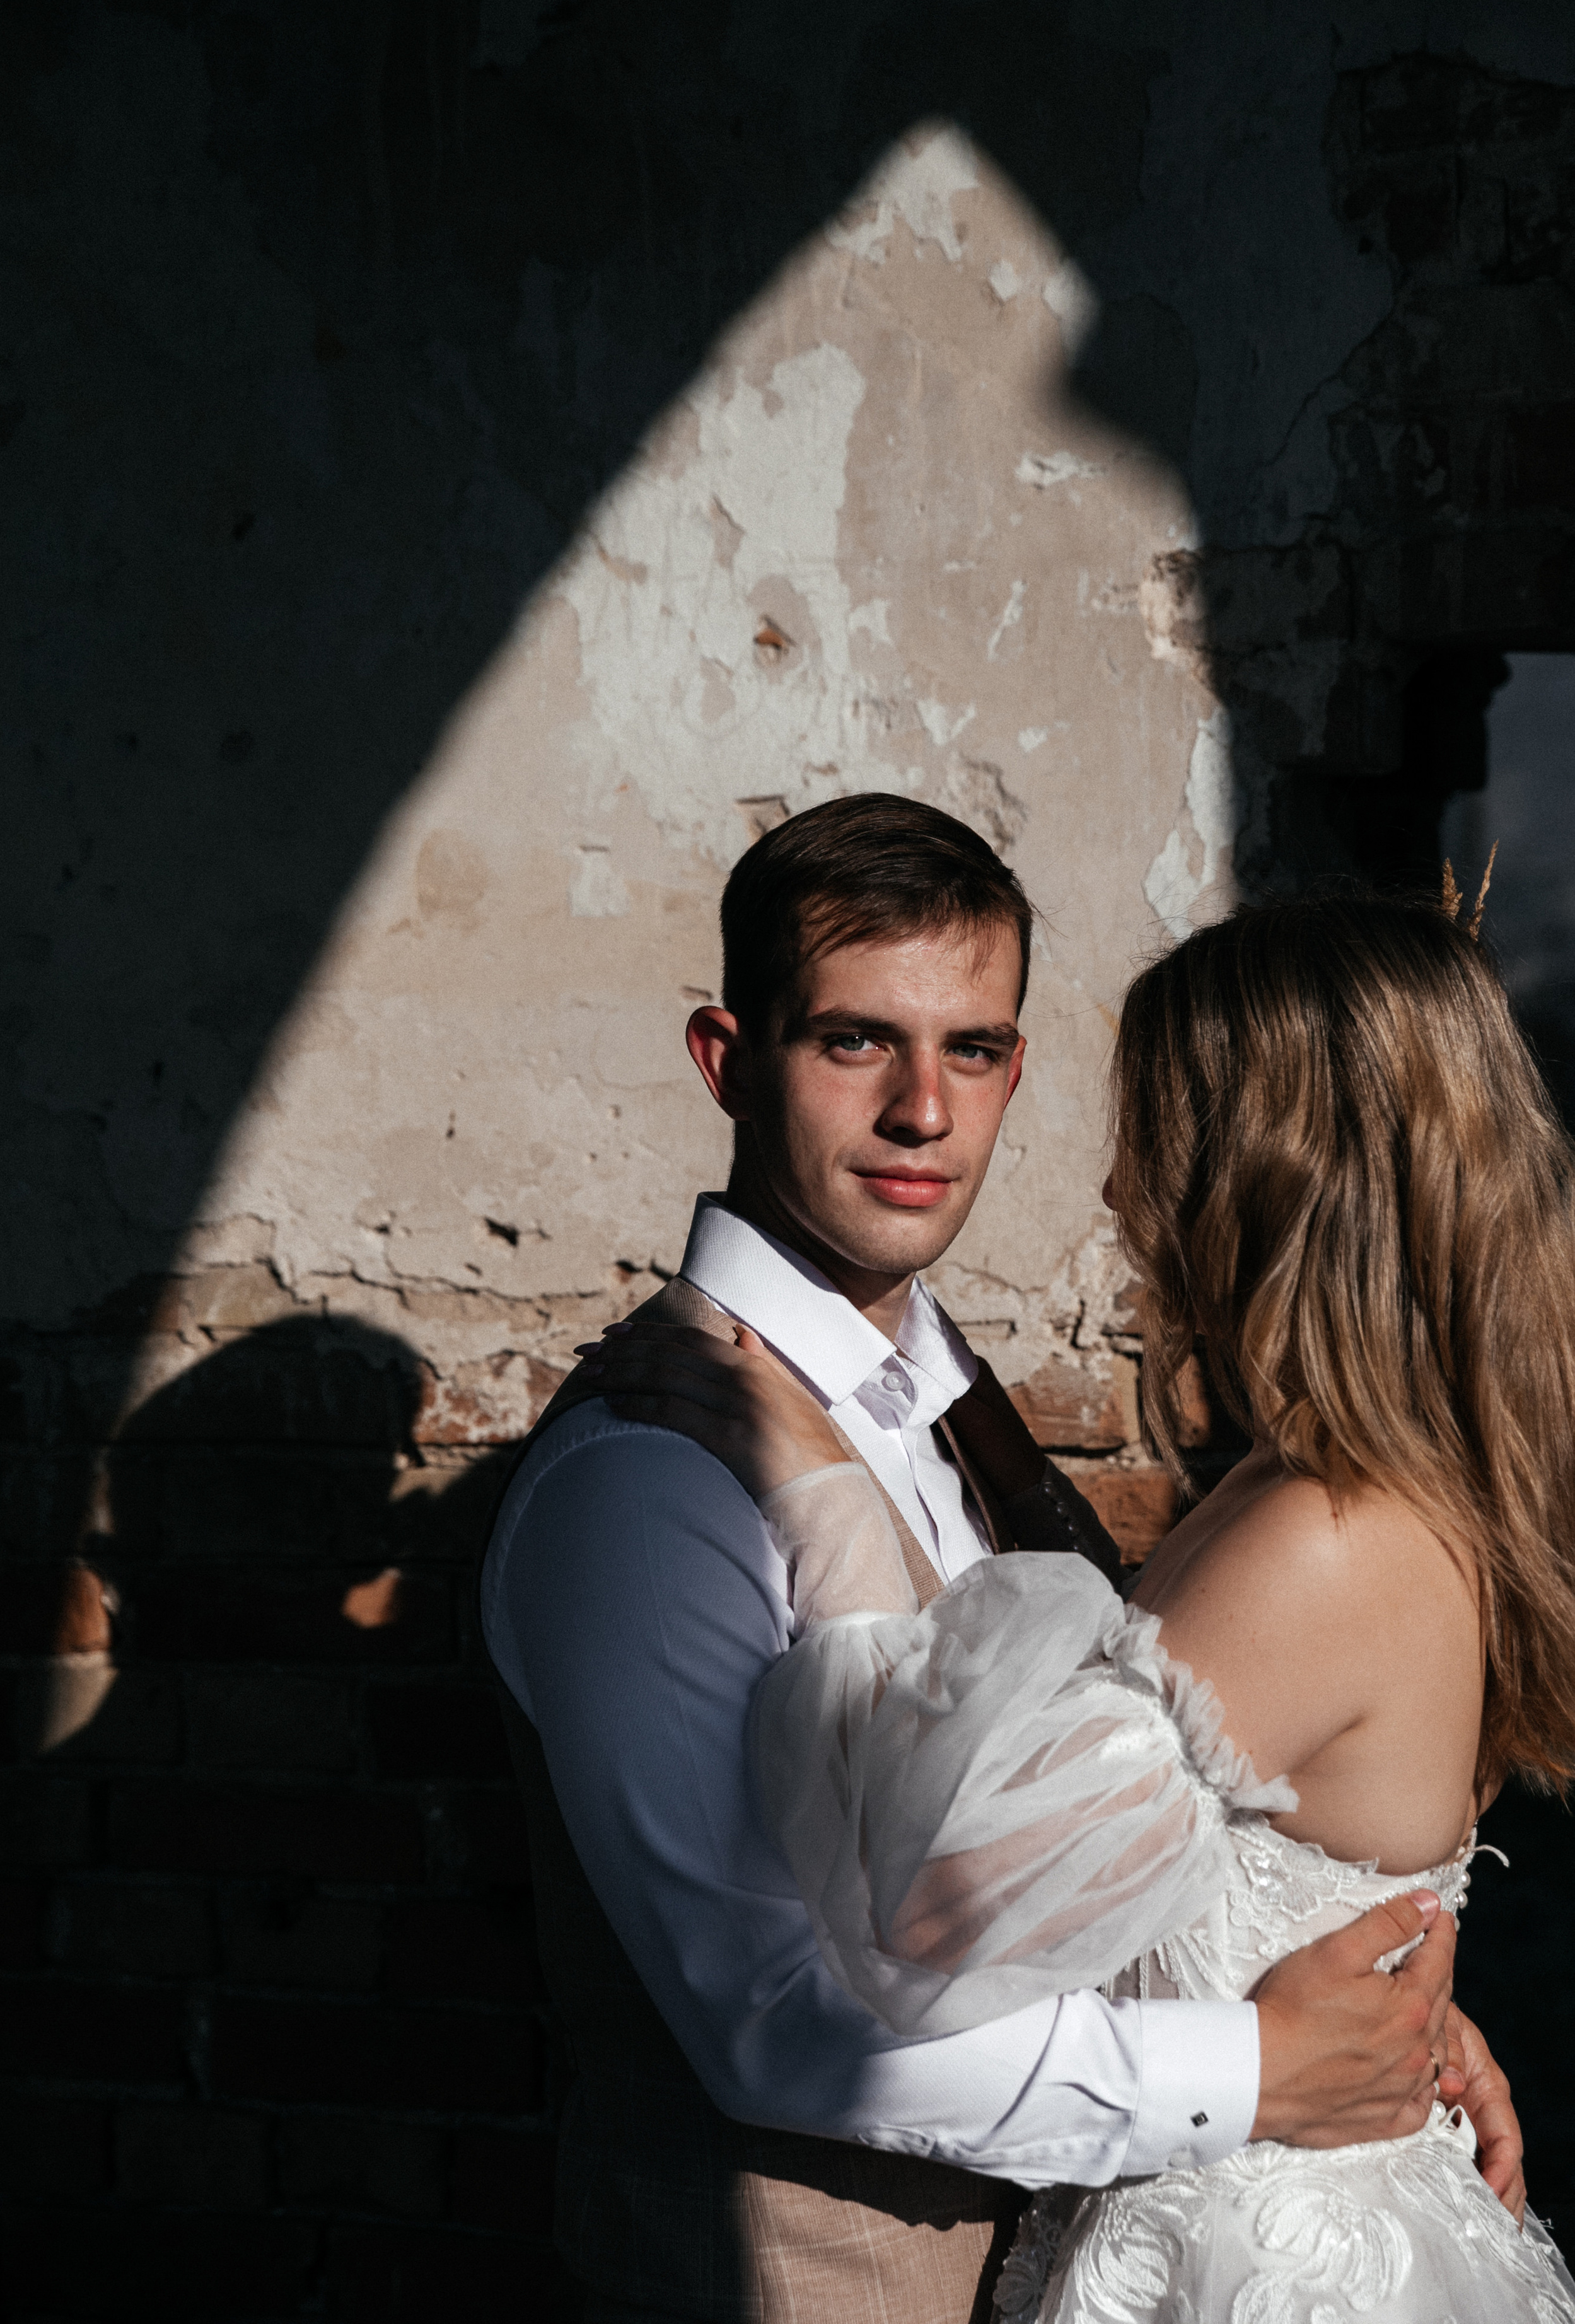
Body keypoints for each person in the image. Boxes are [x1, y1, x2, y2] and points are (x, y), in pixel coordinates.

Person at [482, 798, 1513, 2324]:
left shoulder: (970, 1422)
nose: (923, 1110)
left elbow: (1098, 1852)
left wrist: (1369, 2029)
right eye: (854, 1041)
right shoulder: (653, 1478)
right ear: (729, 1062)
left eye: (970, 1049)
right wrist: (1262, 2065)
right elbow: (778, 2024)